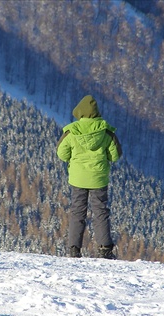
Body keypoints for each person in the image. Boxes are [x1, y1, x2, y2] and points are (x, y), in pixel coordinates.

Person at [56, 95, 122, 259]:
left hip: (78, 179)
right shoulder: (106, 132)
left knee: (77, 212)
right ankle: (105, 249)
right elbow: (115, 156)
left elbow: (61, 154)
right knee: (100, 212)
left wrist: (74, 159)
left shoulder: (71, 132)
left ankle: (74, 249)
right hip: (98, 179)